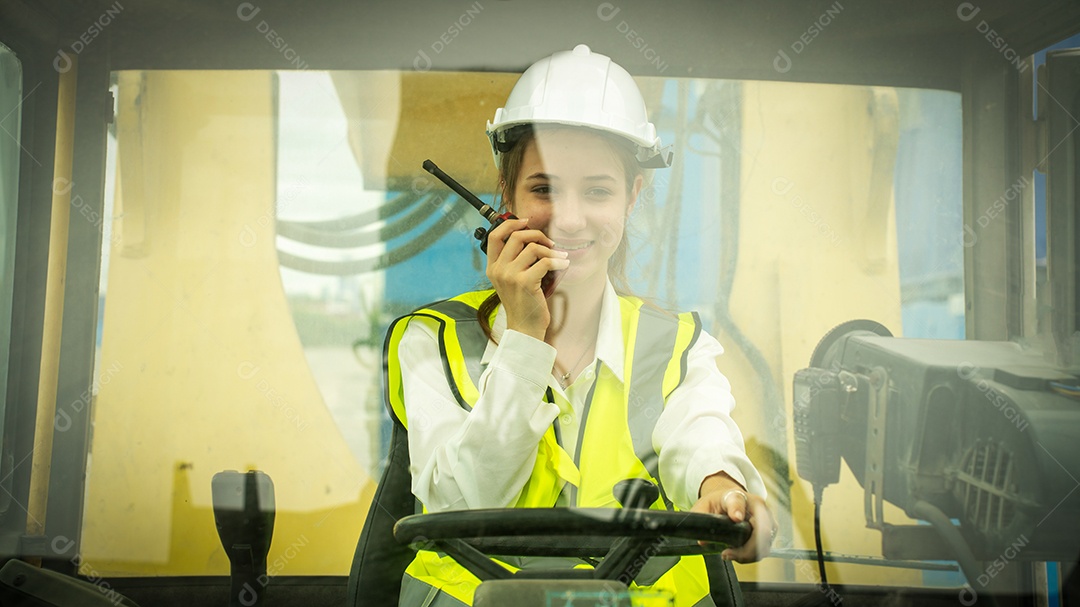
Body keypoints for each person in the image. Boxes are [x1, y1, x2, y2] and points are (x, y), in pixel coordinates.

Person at [384, 44, 775, 607]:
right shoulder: (431, 342)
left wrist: (722, 487)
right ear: (506, 195)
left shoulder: (679, 348)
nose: (568, 219)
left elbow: (702, 438)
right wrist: (523, 336)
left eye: (597, 191)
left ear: (632, 197)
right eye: (543, 189)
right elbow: (460, 506)